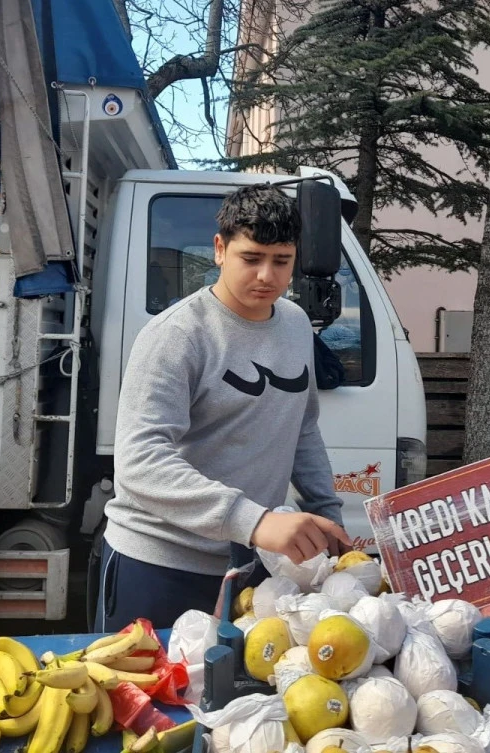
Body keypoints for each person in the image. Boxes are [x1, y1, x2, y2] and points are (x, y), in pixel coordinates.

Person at [97, 184, 351, 630]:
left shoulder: (293, 325)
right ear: (220, 249)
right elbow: (140, 463)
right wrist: (256, 521)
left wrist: (328, 518)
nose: (267, 277)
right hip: (158, 566)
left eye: (282, 261)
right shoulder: (176, 335)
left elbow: (302, 429)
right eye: (251, 259)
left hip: (249, 570)